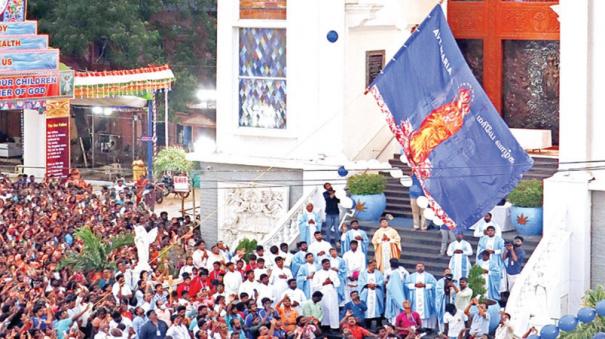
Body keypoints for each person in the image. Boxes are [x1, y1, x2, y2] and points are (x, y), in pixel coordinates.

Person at [311, 258, 341, 331]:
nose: (328, 265)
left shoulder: (333, 273)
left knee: (333, 309)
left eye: (329, 263)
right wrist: (323, 283)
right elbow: (314, 285)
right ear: (322, 265)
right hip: (323, 294)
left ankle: (334, 326)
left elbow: (338, 283)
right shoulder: (318, 273)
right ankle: (324, 326)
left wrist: (331, 282)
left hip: (332, 293)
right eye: (326, 264)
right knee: (324, 308)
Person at [405, 263, 437, 329]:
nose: (420, 267)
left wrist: (425, 285)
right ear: (416, 268)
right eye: (418, 266)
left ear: (424, 267)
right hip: (415, 297)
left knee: (425, 313)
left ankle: (425, 328)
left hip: (425, 297)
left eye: (421, 266)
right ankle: (415, 327)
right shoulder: (411, 276)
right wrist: (414, 285)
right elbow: (406, 284)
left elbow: (434, 285)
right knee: (414, 312)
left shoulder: (429, 276)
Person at [358, 260, 385, 330]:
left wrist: (375, 284)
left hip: (376, 292)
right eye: (373, 265)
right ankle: (367, 325)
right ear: (369, 265)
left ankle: (378, 325)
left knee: (377, 309)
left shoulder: (379, 273)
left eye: (375, 265)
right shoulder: (363, 273)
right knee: (367, 309)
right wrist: (368, 285)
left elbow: (382, 281)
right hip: (367, 293)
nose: (374, 267)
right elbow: (360, 282)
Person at [435, 268, 459, 333]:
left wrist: (452, 286)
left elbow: (457, 292)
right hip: (443, 301)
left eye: (449, 273)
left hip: (452, 301)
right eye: (446, 273)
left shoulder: (455, 281)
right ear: (444, 274)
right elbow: (438, 291)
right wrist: (446, 289)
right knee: (443, 315)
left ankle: (452, 330)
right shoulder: (440, 281)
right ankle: (443, 331)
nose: (448, 274)